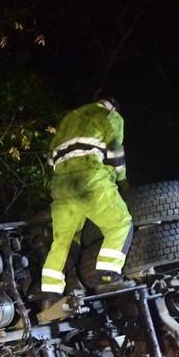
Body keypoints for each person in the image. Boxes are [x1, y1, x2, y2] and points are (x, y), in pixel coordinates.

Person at [40, 97, 134, 295]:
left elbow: (50, 158)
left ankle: (50, 295)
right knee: (120, 224)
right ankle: (108, 278)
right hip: (90, 181)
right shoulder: (109, 115)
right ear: (113, 107)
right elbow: (116, 150)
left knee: (63, 240)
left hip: (61, 187)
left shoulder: (68, 119)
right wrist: (122, 179)